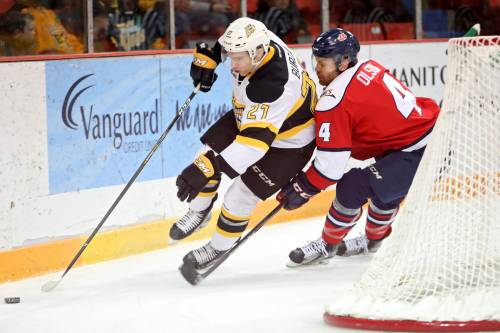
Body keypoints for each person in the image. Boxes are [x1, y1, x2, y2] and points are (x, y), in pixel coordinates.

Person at [276, 28, 441, 266]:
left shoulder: (334, 100)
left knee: (353, 186)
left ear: (344, 62)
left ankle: (327, 244)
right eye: (316, 62)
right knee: (384, 191)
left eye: (323, 63)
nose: (317, 69)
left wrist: (303, 188)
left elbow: (329, 169)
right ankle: (374, 240)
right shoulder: (367, 65)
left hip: (419, 151)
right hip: (425, 138)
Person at [170, 17, 317, 270]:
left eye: (238, 59)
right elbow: (228, 40)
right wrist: (213, 56)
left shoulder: (274, 86)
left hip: (291, 142)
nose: (233, 66)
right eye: (231, 56)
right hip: (251, 116)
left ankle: (218, 247)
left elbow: (252, 146)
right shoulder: (256, 35)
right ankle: (200, 212)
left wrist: (208, 170)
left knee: (240, 195)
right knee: (204, 155)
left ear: (258, 53)